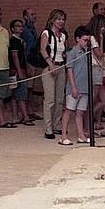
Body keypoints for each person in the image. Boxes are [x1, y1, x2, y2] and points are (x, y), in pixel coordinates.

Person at [59, 26, 92, 145]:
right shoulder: (72, 53)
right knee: (69, 110)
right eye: (85, 40)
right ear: (78, 39)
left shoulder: (87, 52)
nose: (86, 42)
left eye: (88, 40)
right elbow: (70, 70)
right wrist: (73, 87)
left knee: (80, 112)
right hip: (75, 87)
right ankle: (63, 136)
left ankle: (81, 135)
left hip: (85, 87)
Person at [40, 9, 68, 139]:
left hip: (61, 66)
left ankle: (57, 124)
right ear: (52, 20)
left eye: (62, 19)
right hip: (49, 67)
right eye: (58, 19)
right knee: (50, 99)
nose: (61, 21)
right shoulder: (46, 33)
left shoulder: (63, 36)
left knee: (59, 99)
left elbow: (64, 51)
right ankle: (48, 127)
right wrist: (50, 64)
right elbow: (42, 50)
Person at [8, 19, 34, 126]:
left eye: (21, 26)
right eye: (18, 26)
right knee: (21, 93)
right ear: (13, 29)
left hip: (16, 70)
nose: (20, 28)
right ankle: (25, 116)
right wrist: (20, 71)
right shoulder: (14, 41)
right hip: (16, 70)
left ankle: (15, 116)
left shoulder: (20, 41)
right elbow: (15, 56)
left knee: (14, 94)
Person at [87, 14, 105, 130]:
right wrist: (101, 38)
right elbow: (100, 55)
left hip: (98, 69)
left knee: (104, 99)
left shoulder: (93, 38)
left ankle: (90, 116)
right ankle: (87, 118)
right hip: (94, 69)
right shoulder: (93, 38)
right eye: (104, 27)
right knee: (93, 97)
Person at [21, 7, 43, 120]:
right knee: (26, 87)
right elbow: (24, 47)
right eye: (32, 14)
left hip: (33, 60)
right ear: (25, 17)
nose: (34, 16)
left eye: (34, 14)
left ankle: (30, 110)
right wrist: (26, 63)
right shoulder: (24, 30)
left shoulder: (33, 29)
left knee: (31, 87)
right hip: (27, 60)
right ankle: (26, 111)